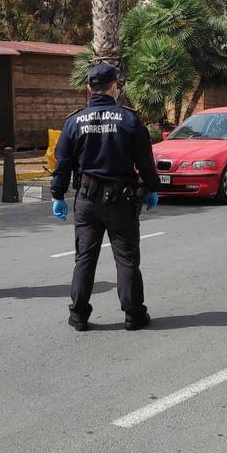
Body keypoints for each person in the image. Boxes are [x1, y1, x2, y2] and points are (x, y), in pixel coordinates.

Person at [50, 62, 161, 332]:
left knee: (84, 259)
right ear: (115, 87)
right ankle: (133, 315)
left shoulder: (74, 121)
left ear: (89, 88)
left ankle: (78, 315)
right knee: (126, 258)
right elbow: (145, 161)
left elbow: (62, 163)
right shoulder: (130, 119)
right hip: (121, 202)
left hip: (87, 201)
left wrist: (57, 195)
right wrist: (152, 188)